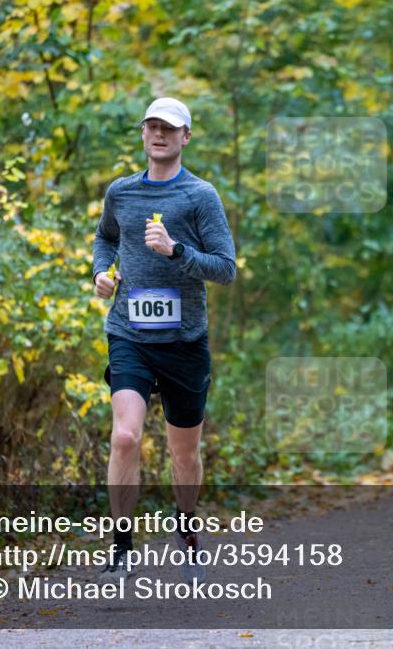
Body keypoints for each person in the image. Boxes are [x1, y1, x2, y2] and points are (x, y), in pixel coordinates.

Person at [91, 97, 237, 583]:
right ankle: (121, 546)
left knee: (184, 454)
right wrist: (101, 272)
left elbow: (226, 268)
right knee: (126, 435)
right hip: (129, 332)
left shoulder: (200, 196)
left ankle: (187, 526)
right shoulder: (122, 193)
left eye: (169, 129)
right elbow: (106, 239)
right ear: (143, 134)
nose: (160, 135)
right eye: (152, 126)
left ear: (186, 137)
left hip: (184, 340)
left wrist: (177, 251)